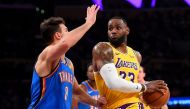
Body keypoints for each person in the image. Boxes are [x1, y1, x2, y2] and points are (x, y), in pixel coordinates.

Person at [28, 5, 107, 109]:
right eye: (66, 31)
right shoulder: (46, 54)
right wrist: (88, 23)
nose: (69, 33)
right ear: (58, 35)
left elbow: (76, 92)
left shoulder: (68, 63)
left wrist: (96, 103)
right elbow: (65, 43)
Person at [92, 16, 167, 109]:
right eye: (110, 28)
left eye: (118, 28)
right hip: (113, 105)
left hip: (134, 103)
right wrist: (145, 87)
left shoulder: (136, 55)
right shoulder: (102, 48)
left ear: (127, 30)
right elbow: (113, 83)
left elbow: (132, 82)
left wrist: (153, 88)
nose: (113, 31)